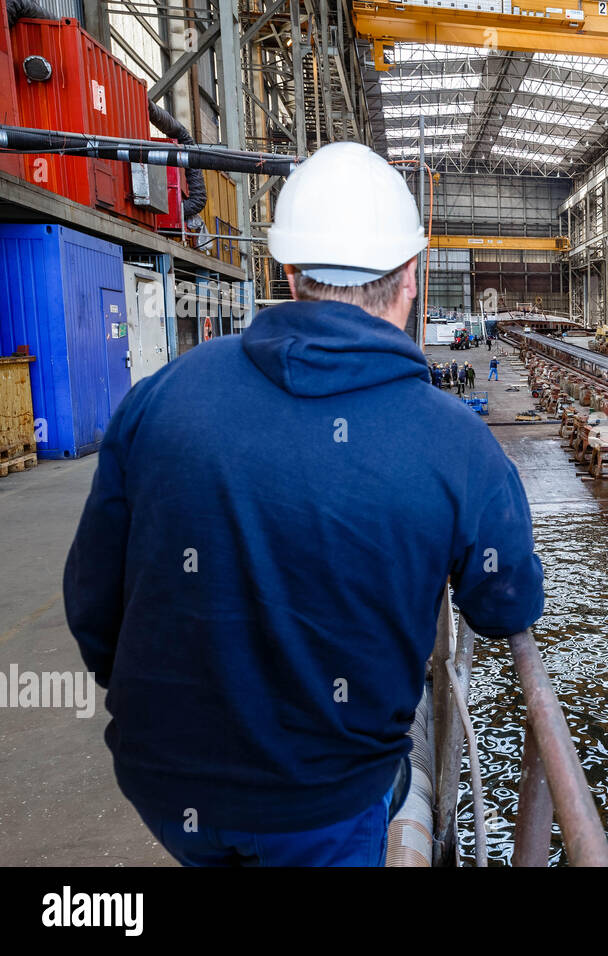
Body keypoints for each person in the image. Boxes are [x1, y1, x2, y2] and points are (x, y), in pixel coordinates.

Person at [62, 142, 544, 867]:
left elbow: (92, 601)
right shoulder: (455, 442)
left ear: (288, 273)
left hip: (164, 777)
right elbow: (505, 605)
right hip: (322, 805)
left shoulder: (163, 396)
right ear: (410, 279)